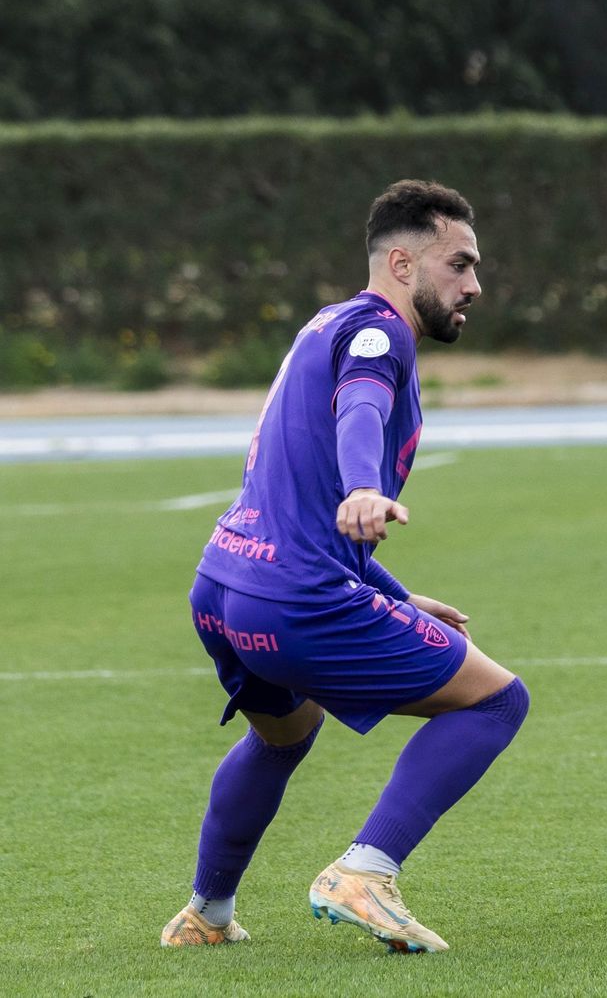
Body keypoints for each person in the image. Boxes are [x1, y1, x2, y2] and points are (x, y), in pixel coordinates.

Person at [160, 180, 527, 954]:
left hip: (223, 585)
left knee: (283, 733)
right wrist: (366, 485)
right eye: (459, 264)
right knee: (496, 703)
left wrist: (394, 594)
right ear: (402, 263)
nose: (475, 285)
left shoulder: (324, 323)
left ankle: (205, 914)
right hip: (295, 599)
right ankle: (367, 871)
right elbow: (361, 408)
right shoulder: (377, 336)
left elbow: (298, 491)